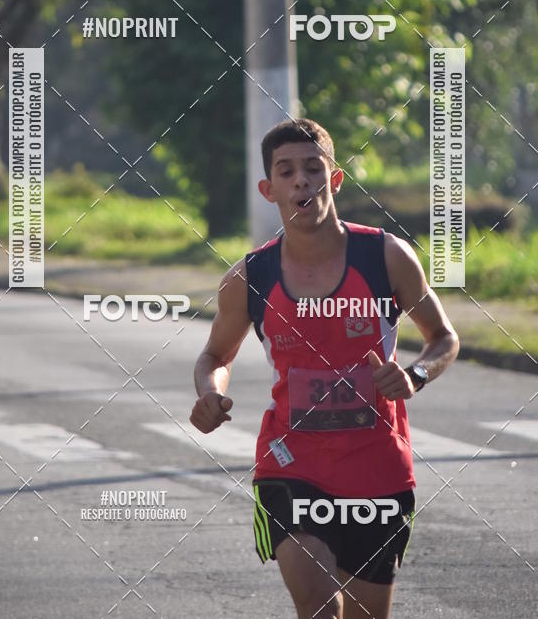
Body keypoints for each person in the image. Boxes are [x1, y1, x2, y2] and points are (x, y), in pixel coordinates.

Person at [190, 118, 459, 619]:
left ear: (334, 180)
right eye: (287, 172)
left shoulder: (385, 256)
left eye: (313, 169)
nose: (301, 181)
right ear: (269, 189)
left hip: (377, 465)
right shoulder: (251, 277)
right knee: (318, 606)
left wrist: (416, 375)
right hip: (292, 463)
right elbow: (214, 356)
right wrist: (210, 393)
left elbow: (443, 338)